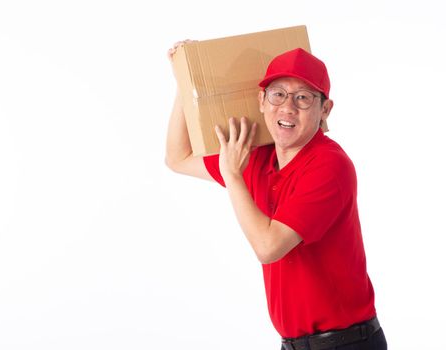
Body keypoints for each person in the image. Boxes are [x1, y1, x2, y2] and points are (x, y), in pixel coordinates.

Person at [165, 43, 387, 350]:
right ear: (261, 100)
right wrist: (183, 81)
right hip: (294, 344)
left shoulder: (329, 165)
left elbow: (269, 247)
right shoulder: (256, 157)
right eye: (278, 94)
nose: (287, 107)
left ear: (325, 109)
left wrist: (232, 176)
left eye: (303, 98)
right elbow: (178, 157)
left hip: (345, 344)